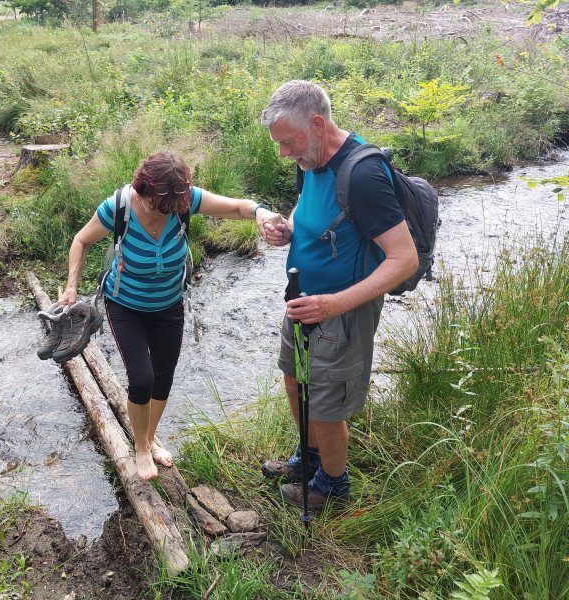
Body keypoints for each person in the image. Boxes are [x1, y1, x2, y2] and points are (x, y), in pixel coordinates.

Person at [58, 151, 282, 481]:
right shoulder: (118, 207)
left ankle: (149, 437)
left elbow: (237, 207)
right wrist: (71, 286)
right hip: (126, 306)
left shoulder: (183, 200)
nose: (161, 213)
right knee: (142, 379)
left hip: (170, 305)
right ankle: (142, 449)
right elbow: (81, 240)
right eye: (154, 205)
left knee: (163, 377)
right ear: (142, 190)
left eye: (170, 208)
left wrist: (261, 212)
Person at [259, 81, 418, 511]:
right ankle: (308, 457)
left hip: (341, 310)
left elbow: (404, 259)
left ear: (316, 124)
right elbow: (308, 205)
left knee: (327, 402)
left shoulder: (363, 174)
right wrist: (289, 228)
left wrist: (335, 304)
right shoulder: (310, 158)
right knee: (295, 378)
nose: (284, 154)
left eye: (288, 142)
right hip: (303, 299)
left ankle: (333, 485)